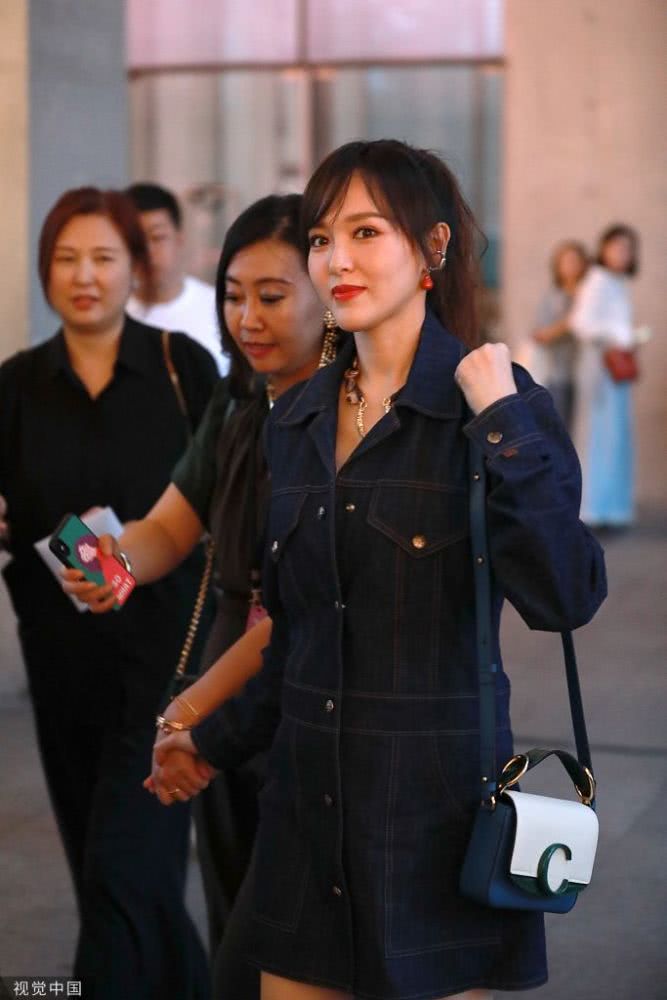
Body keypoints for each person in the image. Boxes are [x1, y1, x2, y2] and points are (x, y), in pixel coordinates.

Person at [149, 139, 608, 1000]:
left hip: (435, 823)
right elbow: (296, 640)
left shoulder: (493, 404)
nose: (337, 260)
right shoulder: (295, 420)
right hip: (305, 817)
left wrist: (501, 420)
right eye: (322, 238)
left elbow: (565, 595)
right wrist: (209, 742)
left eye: (365, 232)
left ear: (431, 247)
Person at [63, 194, 338, 997]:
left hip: (303, 691)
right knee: (230, 909)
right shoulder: (239, 400)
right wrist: (111, 561)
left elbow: (307, 605)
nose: (246, 317)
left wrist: (192, 712)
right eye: (233, 294)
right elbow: (168, 527)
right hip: (220, 680)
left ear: (328, 293)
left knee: (279, 942)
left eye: (271, 295)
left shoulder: (355, 417)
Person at [0, 187, 219, 999]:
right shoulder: (15, 386)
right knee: (114, 877)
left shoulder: (182, 368)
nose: (84, 275)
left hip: (170, 663)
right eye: (66, 258)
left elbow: (222, 495)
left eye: (103, 257)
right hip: (61, 665)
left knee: (122, 868)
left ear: (136, 267)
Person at [569, 224, 640, 529]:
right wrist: (615, 337)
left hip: (614, 368)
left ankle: (611, 509)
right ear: (603, 248)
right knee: (597, 436)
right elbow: (580, 323)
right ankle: (593, 509)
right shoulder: (597, 280)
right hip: (600, 366)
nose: (622, 254)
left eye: (627, 249)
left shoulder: (616, 282)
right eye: (617, 247)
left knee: (614, 437)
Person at [125, 181, 229, 375]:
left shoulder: (220, 308)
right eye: (137, 240)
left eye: (157, 237)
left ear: (179, 238)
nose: (148, 251)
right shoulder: (113, 315)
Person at [531, 240, 589, 429]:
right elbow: (540, 335)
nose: (572, 266)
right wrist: (572, 320)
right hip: (558, 374)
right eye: (567, 261)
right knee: (560, 429)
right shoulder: (553, 297)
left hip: (585, 374)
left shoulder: (590, 295)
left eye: (576, 261)